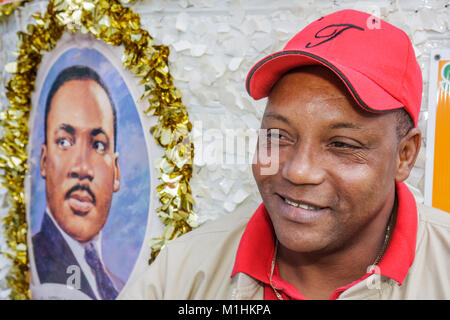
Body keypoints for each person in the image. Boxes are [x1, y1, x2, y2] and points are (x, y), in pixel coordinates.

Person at [120, 9, 450, 300]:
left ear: (405, 155)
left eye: (342, 144)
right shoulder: (182, 272)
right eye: (278, 136)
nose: (298, 171)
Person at [32, 65, 123, 300]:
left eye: (98, 145)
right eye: (64, 142)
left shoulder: (123, 287)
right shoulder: (26, 267)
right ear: (44, 161)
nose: (82, 167)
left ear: (116, 172)